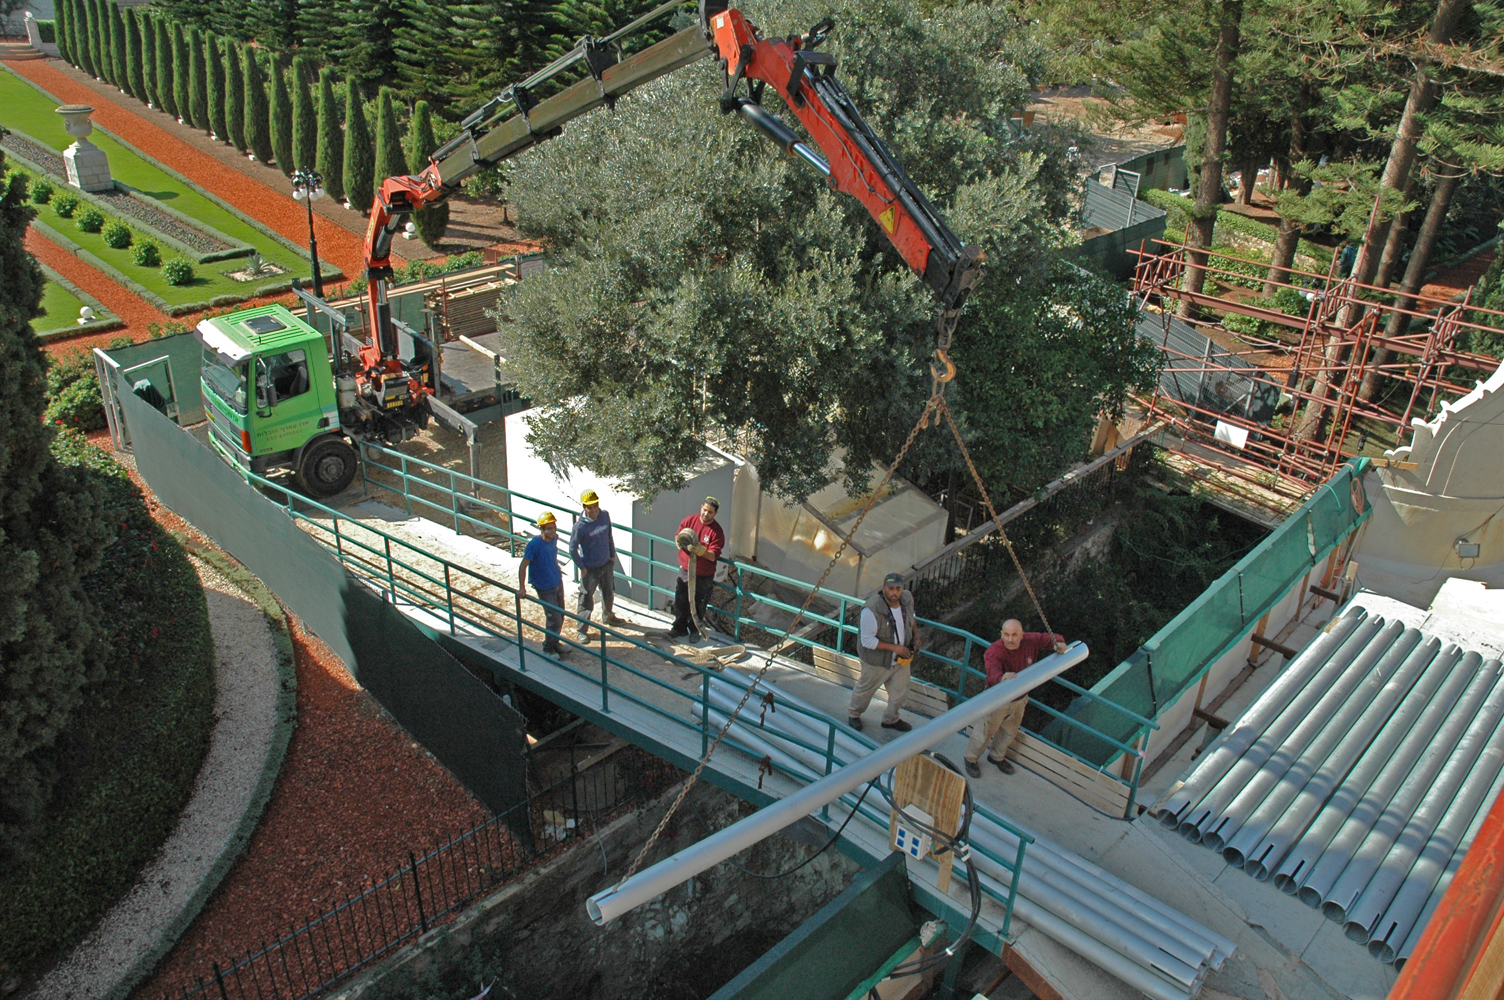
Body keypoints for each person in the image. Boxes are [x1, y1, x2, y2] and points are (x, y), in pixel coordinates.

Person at [964, 619, 1067, 778]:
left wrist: (1059, 643)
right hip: (997, 699)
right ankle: (970, 759)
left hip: (1020, 698)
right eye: (1006, 634)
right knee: (984, 732)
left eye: (1014, 635)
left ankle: (996, 757)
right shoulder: (994, 651)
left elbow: (1049, 638)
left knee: (1009, 731)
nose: (1010, 639)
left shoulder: (1030, 641)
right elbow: (993, 673)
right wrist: (1002, 677)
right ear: (1001, 634)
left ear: (1022, 635)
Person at [848, 573, 921, 733]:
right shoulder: (871, 609)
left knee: (900, 692)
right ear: (883, 589)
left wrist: (916, 636)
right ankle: (854, 714)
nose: (894, 592)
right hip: (876, 661)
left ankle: (890, 719)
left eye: (898, 588)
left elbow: (912, 617)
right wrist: (895, 648)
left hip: (901, 660)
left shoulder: (907, 599)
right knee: (865, 690)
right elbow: (867, 641)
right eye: (891, 589)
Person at [669, 497, 725, 640]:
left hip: (703, 575)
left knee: (699, 603)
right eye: (705, 510)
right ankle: (679, 628)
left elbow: (713, 556)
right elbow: (678, 535)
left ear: (715, 514)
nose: (706, 514)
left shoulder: (716, 532)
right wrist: (679, 541)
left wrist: (701, 551)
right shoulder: (690, 521)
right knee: (681, 600)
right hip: (685, 570)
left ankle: (695, 630)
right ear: (701, 507)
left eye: (710, 512)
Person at [570, 488, 622, 640]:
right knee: (586, 599)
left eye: (595, 505)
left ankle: (608, 616)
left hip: (606, 564)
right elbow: (573, 549)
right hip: (590, 569)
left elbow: (609, 536)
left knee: (608, 592)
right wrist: (582, 567)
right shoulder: (580, 527)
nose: (593, 510)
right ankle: (582, 630)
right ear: (584, 508)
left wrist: (612, 555)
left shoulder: (604, 516)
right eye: (589, 507)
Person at [519, 511, 567, 658]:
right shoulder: (534, 545)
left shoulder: (554, 539)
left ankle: (555, 642)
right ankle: (548, 649)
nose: (553, 531)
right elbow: (523, 566)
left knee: (561, 615)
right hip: (544, 587)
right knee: (554, 618)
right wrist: (522, 587)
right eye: (549, 529)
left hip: (556, 581)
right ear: (542, 529)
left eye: (554, 528)